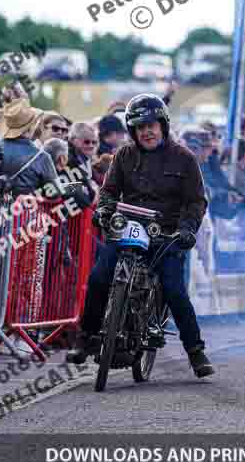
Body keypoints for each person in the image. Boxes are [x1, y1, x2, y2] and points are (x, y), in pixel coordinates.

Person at [66, 94, 214, 378]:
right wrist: (104, 212)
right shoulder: (123, 155)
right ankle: (85, 338)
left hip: (167, 235)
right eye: (139, 127)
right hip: (127, 229)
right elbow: (108, 192)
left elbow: (196, 201)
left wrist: (187, 229)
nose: (146, 131)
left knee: (174, 289)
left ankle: (195, 352)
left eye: (151, 125)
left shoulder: (184, 158)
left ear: (163, 125)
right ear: (132, 131)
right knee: (98, 277)